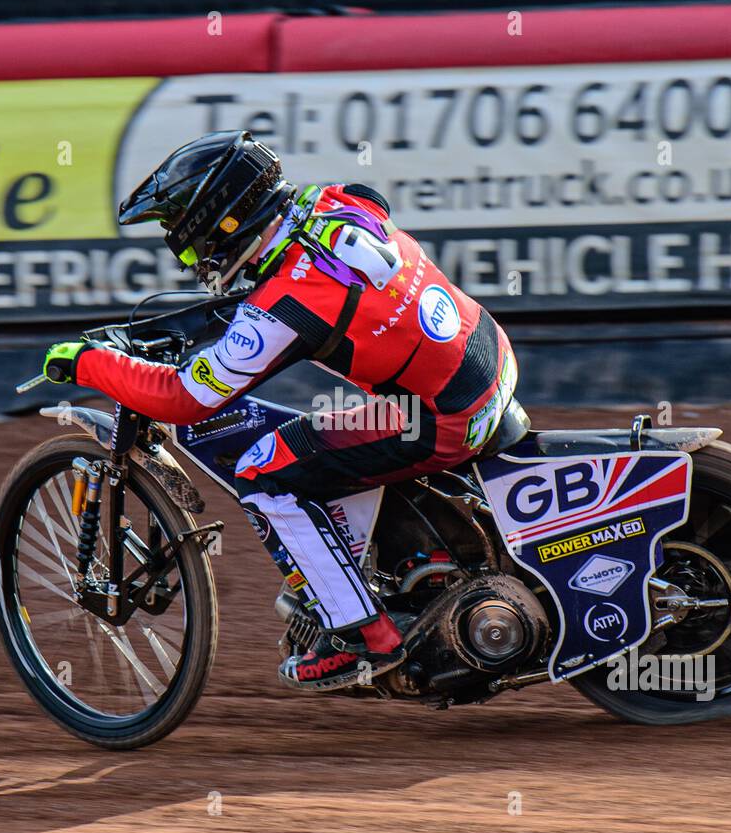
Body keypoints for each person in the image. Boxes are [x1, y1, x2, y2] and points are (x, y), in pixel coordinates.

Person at [41, 130, 523, 691]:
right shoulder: (338, 201)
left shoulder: (284, 308)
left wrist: (88, 364)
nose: (190, 257)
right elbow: (344, 249)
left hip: (443, 418)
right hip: (488, 356)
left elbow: (183, 398)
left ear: (221, 221)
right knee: (339, 432)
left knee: (264, 468)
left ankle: (363, 636)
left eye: (186, 241)